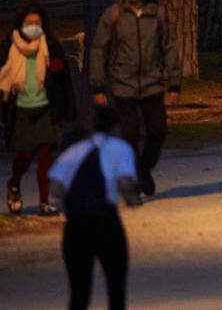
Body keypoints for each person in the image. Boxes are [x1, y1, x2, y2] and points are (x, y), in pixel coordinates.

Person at [89, 0, 181, 198]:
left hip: (152, 82)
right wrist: (98, 85)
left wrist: (174, 83)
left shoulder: (157, 14)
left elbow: (169, 47)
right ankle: (136, 177)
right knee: (129, 135)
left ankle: (142, 171)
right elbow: (99, 49)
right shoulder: (114, 15)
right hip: (123, 85)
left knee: (157, 132)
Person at [49, 104, 141, 310]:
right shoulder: (120, 148)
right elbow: (125, 181)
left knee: (79, 294)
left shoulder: (75, 150)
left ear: (93, 127)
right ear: (116, 126)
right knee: (116, 289)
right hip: (106, 222)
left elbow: (55, 187)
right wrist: (132, 199)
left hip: (76, 226)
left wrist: (77, 198)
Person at [3, 4, 76, 216]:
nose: (33, 27)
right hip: (20, 109)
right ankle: (14, 185)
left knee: (45, 155)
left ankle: (44, 202)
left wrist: (68, 108)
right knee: (24, 156)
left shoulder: (50, 46)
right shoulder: (9, 46)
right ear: (21, 24)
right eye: (29, 23)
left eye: (37, 23)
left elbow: (63, 80)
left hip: (45, 107)